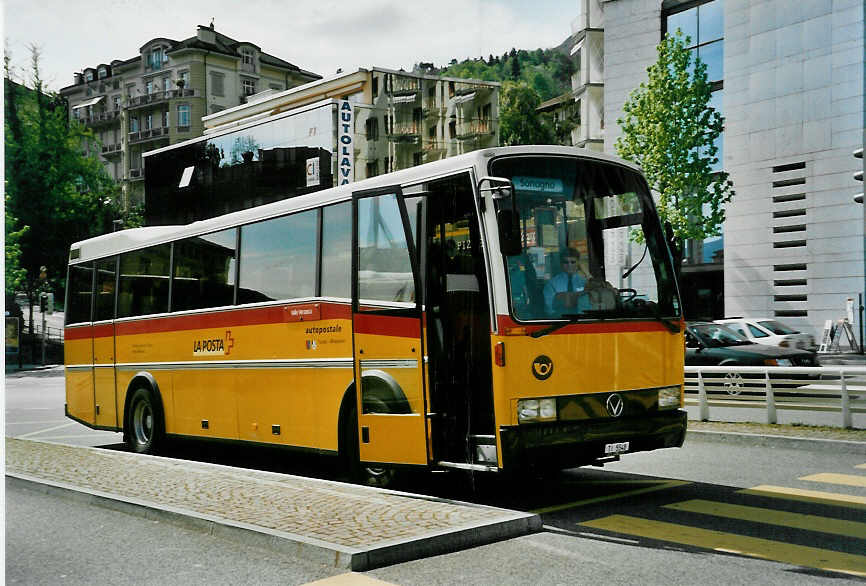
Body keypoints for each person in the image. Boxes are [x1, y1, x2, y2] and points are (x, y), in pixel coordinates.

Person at [543, 248, 587, 313]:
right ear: (561, 263)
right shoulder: (552, 283)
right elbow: (549, 307)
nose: (569, 265)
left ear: (578, 263)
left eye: (573, 262)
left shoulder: (584, 282)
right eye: (566, 262)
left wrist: (586, 272)